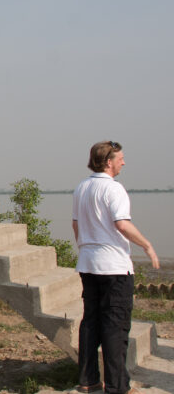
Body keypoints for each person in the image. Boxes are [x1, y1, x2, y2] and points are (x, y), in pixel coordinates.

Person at [72, 141, 159, 394]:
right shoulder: (114, 188)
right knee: (115, 326)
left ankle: (88, 380)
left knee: (90, 322)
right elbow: (122, 224)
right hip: (114, 267)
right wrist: (147, 245)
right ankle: (117, 386)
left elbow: (76, 225)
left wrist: (85, 247)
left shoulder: (81, 187)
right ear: (108, 162)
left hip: (88, 263)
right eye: (120, 158)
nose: (124, 162)